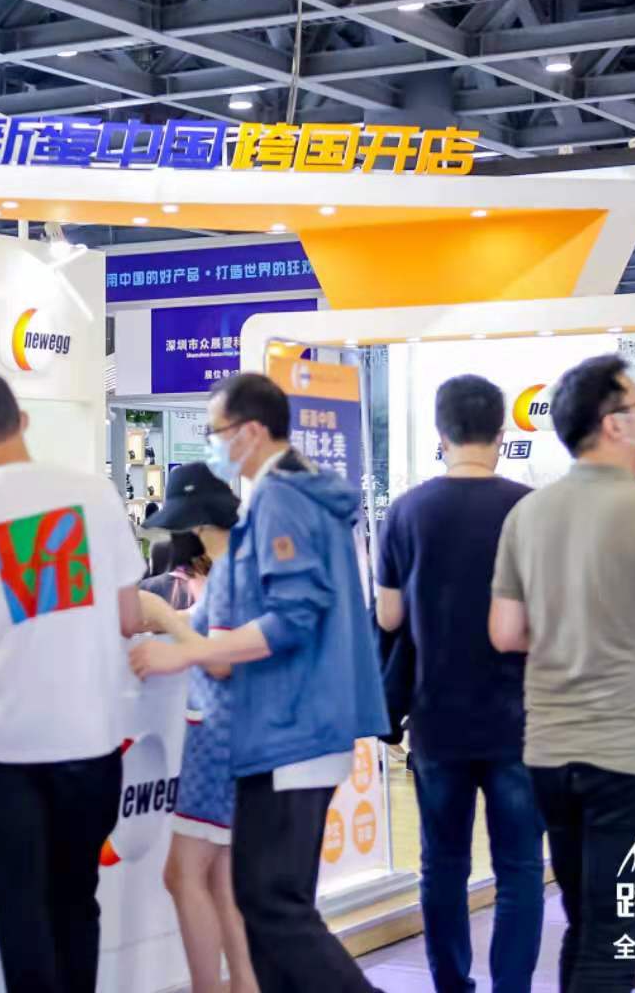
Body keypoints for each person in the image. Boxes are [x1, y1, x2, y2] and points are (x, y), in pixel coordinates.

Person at [129, 371, 388, 993]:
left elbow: (291, 617)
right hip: (292, 727)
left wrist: (190, 652)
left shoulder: (282, 500)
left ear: (248, 431)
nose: (213, 444)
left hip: (290, 727)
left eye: (216, 431)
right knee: (267, 901)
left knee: (272, 904)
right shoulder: (294, 495)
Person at [489, 354, 635, 993]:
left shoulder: (528, 514)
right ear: (613, 423)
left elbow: (505, 632)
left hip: (548, 753)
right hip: (629, 758)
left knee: (586, 921)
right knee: (616, 936)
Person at [0, 373, 145, 993]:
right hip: (92, 739)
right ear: (23, 421)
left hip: (2, 747)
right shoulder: (95, 494)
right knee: (77, 902)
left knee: (22, 915)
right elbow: (128, 617)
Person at [374, 375, 542, 993]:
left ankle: (451, 984)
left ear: (441, 434)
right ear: (501, 432)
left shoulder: (407, 511)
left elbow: (388, 617)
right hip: (522, 719)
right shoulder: (531, 509)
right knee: (520, 867)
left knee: (442, 864)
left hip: (436, 717)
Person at [136, 462, 259, 993]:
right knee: (223, 881)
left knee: (185, 874)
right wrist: (172, 620)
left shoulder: (230, 572)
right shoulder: (246, 563)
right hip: (237, 734)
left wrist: (164, 619)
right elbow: (219, 631)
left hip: (216, 737)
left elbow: (221, 660)